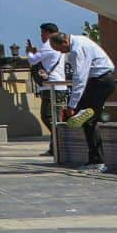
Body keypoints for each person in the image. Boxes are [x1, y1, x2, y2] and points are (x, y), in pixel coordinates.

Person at [54, 31, 117, 171]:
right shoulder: (80, 40)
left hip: (100, 82)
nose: (62, 52)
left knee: (88, 119)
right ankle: (94, 159)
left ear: (64, 42)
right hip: (101, 81)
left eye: (60, 49)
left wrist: (72, 104)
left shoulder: (77, 49)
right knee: (87, 118)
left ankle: (97, 161)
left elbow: (79, 77)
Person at [29, 22, 66, 154]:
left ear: (48, 33)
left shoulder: (48, 45)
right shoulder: (60, 44)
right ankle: (54, 147)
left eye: (42, 33)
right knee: (56, 117)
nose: (41, 36)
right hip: (60, 85)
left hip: (50, 86)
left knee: (47, 116)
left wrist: (29, 53)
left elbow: (33, 61)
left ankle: (61, 138)